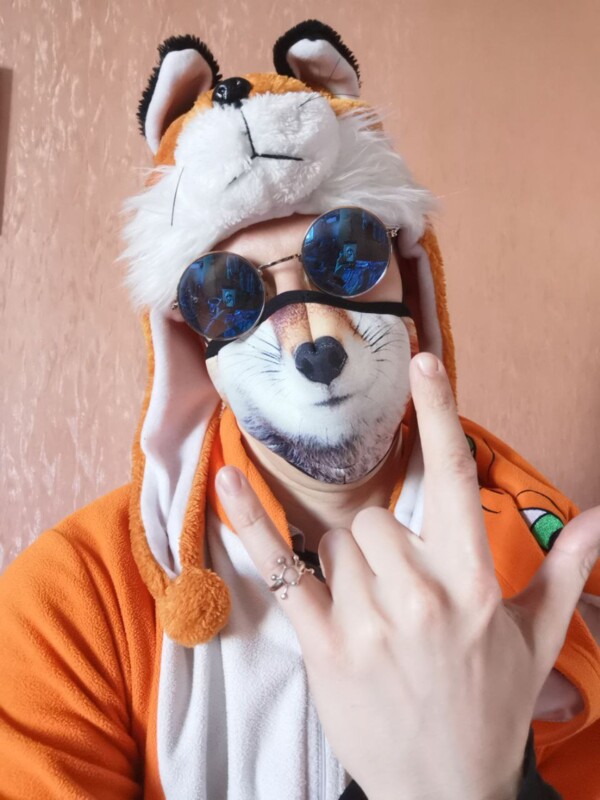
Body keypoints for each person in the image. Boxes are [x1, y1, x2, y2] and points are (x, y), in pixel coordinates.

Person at [1, 20, 599, 800]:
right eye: (229, 291)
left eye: (346, 254)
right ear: (189, 340)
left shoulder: (536, 562)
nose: (312, 332)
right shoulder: (73, 604)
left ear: (410, 275)